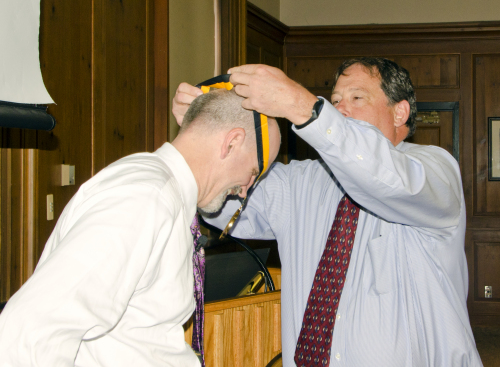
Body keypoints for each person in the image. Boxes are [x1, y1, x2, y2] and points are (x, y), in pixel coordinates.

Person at [173, 58, 483, 366]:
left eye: (357, 98)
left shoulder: (433, 171)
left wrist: (302, 106)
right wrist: (203, 137)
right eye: (334, 101)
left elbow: (385, 177)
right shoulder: (300, 182)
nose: (340, 109)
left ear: (399, 111)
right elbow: (225, 201)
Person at [0, 89, 281, 367]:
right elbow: (29, 333)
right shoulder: (147, 196)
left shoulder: (163, 195)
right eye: (254, 173)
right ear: (231, 142)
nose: (244, 192)